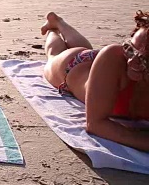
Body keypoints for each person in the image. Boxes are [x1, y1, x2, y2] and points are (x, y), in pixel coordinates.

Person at [40, 10, 149, 151]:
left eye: (143, 59)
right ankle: (54, 28)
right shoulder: (117, 56)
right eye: (129, 48)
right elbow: (95, 124)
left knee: (85, 48)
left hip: (101, 67)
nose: (132, 61)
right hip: (72, 66)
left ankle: (58, 21)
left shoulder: (128, 62)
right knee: (54, 54)